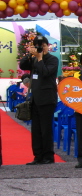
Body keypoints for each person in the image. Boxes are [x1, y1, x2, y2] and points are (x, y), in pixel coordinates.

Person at [19, 35, 58, 165]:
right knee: (36, 130)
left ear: (48, 46)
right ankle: (38, 156)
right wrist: (29, 54)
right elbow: (22, 64)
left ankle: (48, 156)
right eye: (38, 46)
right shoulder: (34, 59)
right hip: (35, 99)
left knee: (46, 129)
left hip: (47, 99)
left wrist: (40, 58)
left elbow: (46, 73)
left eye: (43, 45)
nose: (41, 48)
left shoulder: (53, 60)